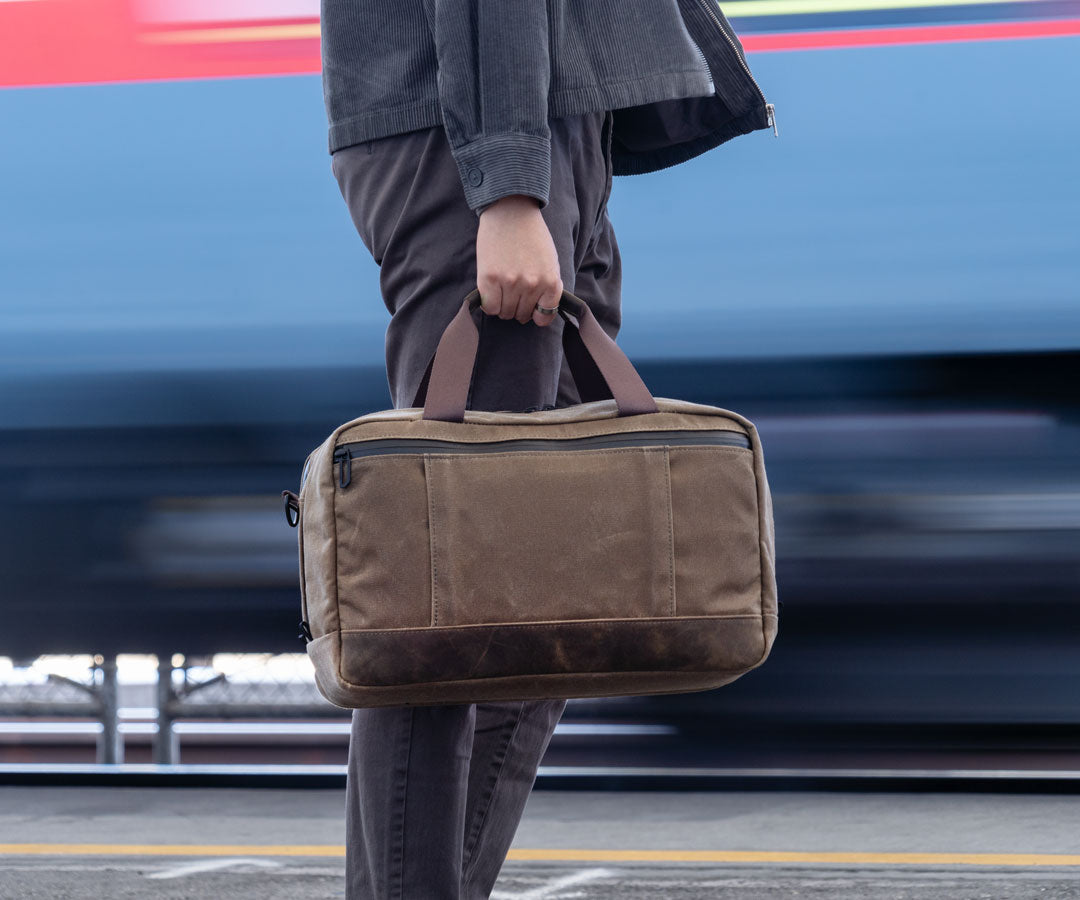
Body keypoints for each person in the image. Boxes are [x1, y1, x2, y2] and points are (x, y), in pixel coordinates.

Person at [320, 2, 775, 896]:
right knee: (446, 601)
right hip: (486, 143)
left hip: (549, 123)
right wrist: (510, 185)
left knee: (550, 590)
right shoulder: (500, 176)